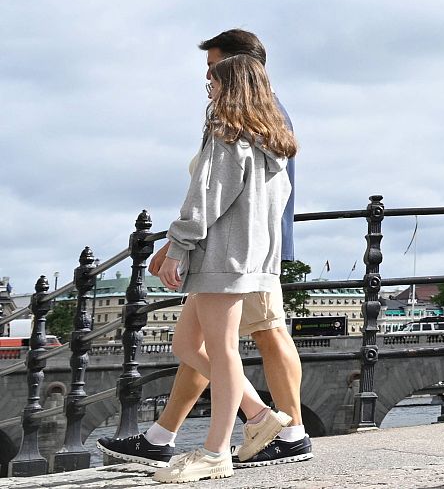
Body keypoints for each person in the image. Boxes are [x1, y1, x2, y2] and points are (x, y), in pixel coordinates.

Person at [99, 31, 311, 473]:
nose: (208, 83)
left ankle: (216, 451)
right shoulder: (274, 135)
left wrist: (177, 246)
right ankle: (260, 416)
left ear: (231, 79)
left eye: (213, 76)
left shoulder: (228, 132)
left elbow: (207, 196)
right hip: (254, 258)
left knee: (224, 349)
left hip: (223, 258)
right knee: (189, 345)